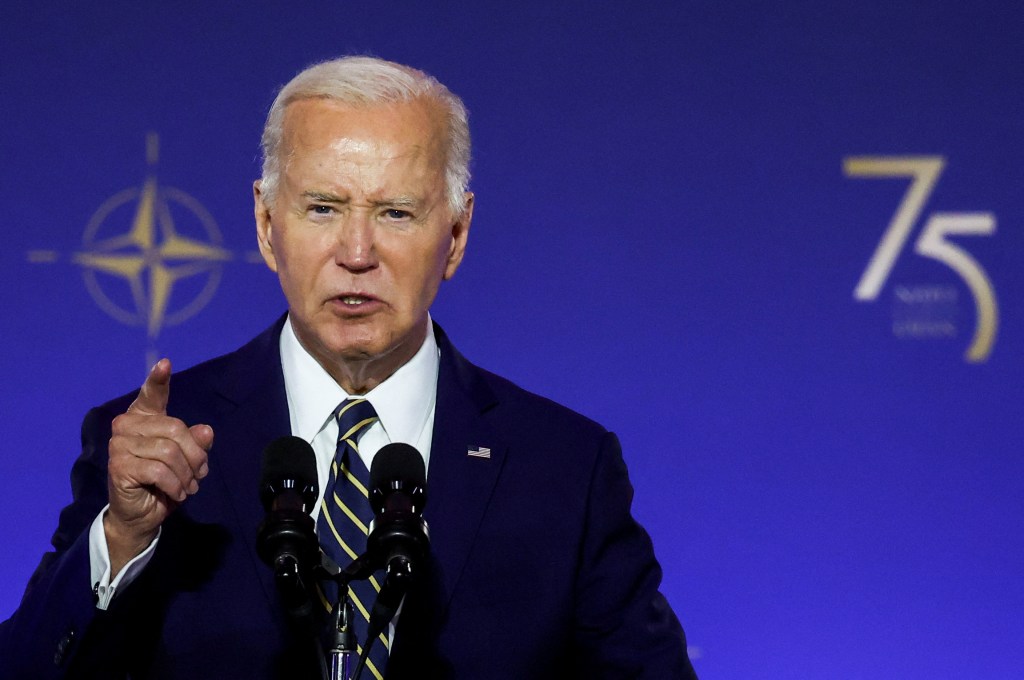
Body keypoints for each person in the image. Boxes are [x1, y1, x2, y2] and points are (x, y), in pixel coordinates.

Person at [0, 56, 697, 679]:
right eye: (323, 208)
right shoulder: (153, 444)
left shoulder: (565, 469)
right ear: (267, 225)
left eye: (396, 212)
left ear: (455, 237)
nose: (356, 252)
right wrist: (122, 538)